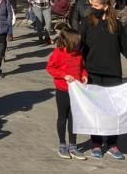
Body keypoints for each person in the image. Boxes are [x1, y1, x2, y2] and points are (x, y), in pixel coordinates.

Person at [79, 0, 127, 160]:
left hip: (113, 73)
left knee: (113, 110)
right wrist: (79, 71)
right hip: (92, 73)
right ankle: (96, 142)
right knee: (96, 110)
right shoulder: (87, 23)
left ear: (105, 6)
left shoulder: (116, 25)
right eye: (91, 5)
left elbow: (126, 50)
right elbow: (79, 49)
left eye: (96, 5)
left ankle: (112, 143)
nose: (92, 8)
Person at [46, 26, 89, 160]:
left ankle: (73, 145)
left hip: (76, 92)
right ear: (69, 42)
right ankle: (62, 144)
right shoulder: (59, 52)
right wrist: (64, 75)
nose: (78, 44)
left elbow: (82, 68)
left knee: (74, 118)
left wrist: (84, 75)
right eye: (76, 42)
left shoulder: (79, 53)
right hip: (63, 90)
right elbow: (50, 68)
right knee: (62, 117)